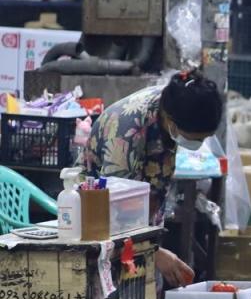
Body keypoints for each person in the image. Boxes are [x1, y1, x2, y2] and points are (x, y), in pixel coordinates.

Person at [82, 70, 223, 287]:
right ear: (172, 123)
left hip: (138, 224)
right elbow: (112, 212)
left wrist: (152, 249)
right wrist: (154, 253)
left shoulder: (176, 103)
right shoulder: (126, 131)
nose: (200, 144)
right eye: (196, 139)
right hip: (97, 224)